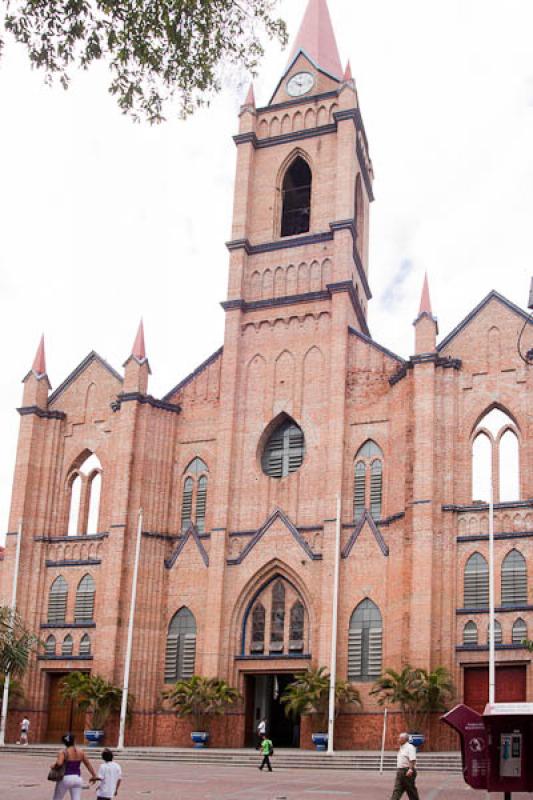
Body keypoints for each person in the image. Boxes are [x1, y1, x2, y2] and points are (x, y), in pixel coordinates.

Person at [50, 733, 97, 800]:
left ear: (64, 742)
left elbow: (59, 763)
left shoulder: (63, 752)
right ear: (74, 741)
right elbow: (88, 764)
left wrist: (54, 766)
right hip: (77, 779)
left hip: (65, 778)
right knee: (76, 798)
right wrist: (94, 775)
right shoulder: (81, 752)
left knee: (57, 798)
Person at [390, 732, 420, 800]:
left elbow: (412, 759)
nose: (398, 739)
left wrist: (410, 769)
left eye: (400, 738)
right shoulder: (402, 747)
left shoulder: (410, 747)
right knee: (397, 789)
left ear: (405, 739)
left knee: (411, 790)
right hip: (400, 771)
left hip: (407, 771)